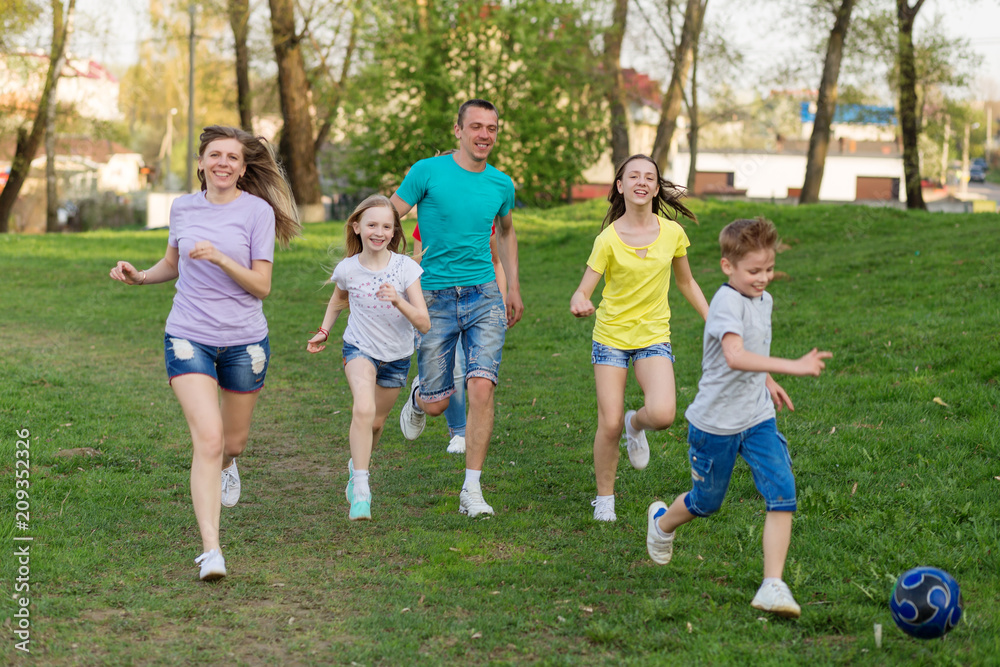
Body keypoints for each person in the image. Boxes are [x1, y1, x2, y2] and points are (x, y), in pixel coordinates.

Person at [110, 125, 300, 581]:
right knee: (208, 439)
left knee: (231, 443)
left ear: (243, 167)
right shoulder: (183, 207)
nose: (223, 163)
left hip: (245, 340)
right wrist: (139, 277)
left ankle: (230, 466)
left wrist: (219, 257)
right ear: (200, 163)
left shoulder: (257, 213)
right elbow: (172, 265)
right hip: (187, 335)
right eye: (215, 155)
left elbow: (262, 286)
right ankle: (211, 550)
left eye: (232, 158)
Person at [645, 216, 832, 618]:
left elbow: (752, 349)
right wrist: (791, 367)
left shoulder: (763, 299)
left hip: (757, 418)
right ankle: (662, 522)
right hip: (714, 424)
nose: (763, 278)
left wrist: (766, 380)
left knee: (782, 492)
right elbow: (734, 354)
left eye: (768, 269)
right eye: (754, 271)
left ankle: (773, 585)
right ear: (728, 266)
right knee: (706, 503)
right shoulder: (727, 303)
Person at [390, 98, 524, 518]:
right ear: (459, 130)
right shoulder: (426, 172)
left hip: (484, 295)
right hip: (433, 297)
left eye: (492, 128)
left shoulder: (502, 184)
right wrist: (391, 270)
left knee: (482, 386)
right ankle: (419, 396)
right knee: (437, 403)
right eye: (477, 127)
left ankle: (472, 490)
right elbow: (388, 216)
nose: (485, 135)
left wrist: (512, 289)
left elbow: (506, 231)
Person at [570, 154, 710, 523]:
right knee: (609, 422)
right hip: (611, 337)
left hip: (653, 336)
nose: (642, 182)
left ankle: (638, 424)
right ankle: (604, 499)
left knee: (663, 415)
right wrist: (580, 302)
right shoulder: (608, 239)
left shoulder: (673, 233)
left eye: (650, 177)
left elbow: (686, 282)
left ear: (656, 186)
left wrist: (714, 320)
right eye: (634, 176)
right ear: (620, 186)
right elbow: (583, 290)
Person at [306, 195, 429, 521]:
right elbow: (337, 301)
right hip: (359, 348)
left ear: (394, 231)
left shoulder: (406, 268)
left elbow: (424, 323)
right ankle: (362, 489)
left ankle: (354, 465)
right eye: (372, 224)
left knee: (374, 423)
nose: (379, 231)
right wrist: (324, 330)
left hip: (398, 356)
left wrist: (398, 301)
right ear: (357, 227)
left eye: (386, 226)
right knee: (362, 407)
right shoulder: (348, 269)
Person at [411, 218, 507, 455]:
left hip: (479, 302)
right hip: (438, 304)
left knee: (472, 370)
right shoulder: (426, 222)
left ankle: (461, 433)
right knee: (453, 368)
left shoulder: (483, 218)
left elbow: (496, 262)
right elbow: (416, 269)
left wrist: (501, 303)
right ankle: (454, 428)